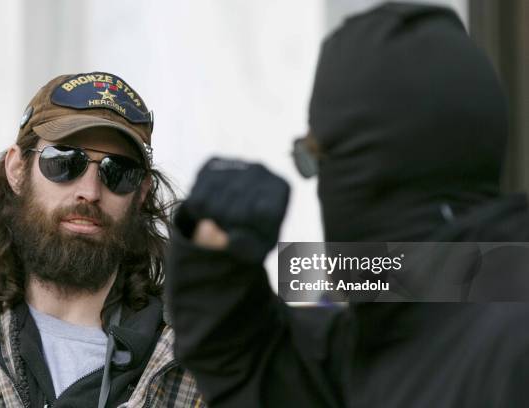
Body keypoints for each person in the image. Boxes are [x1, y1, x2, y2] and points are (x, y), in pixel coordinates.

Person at [166, 3, 529, 407]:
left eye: (314, 156)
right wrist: (217, 270)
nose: (318, 183)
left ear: (375, 165)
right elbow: (253, 366)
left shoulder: (507, 346)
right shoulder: (396, 323)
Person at [0, 71, 205, 407]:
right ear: (17, 169)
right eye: (64, 161)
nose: (90, 192)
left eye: (118, 171)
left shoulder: (201, 368)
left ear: (141, 193)